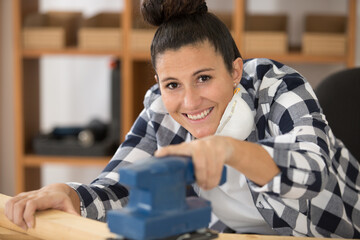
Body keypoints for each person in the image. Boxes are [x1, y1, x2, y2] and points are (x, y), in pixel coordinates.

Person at [5, 0, 360, 238]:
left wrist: (228, 151)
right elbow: (121, 187)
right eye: (172, 84)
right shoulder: (162, 107)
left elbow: (313, 171)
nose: (190, 101)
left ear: (235, 70)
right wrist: (70, 193)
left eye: (204, 78)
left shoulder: (278, 85)